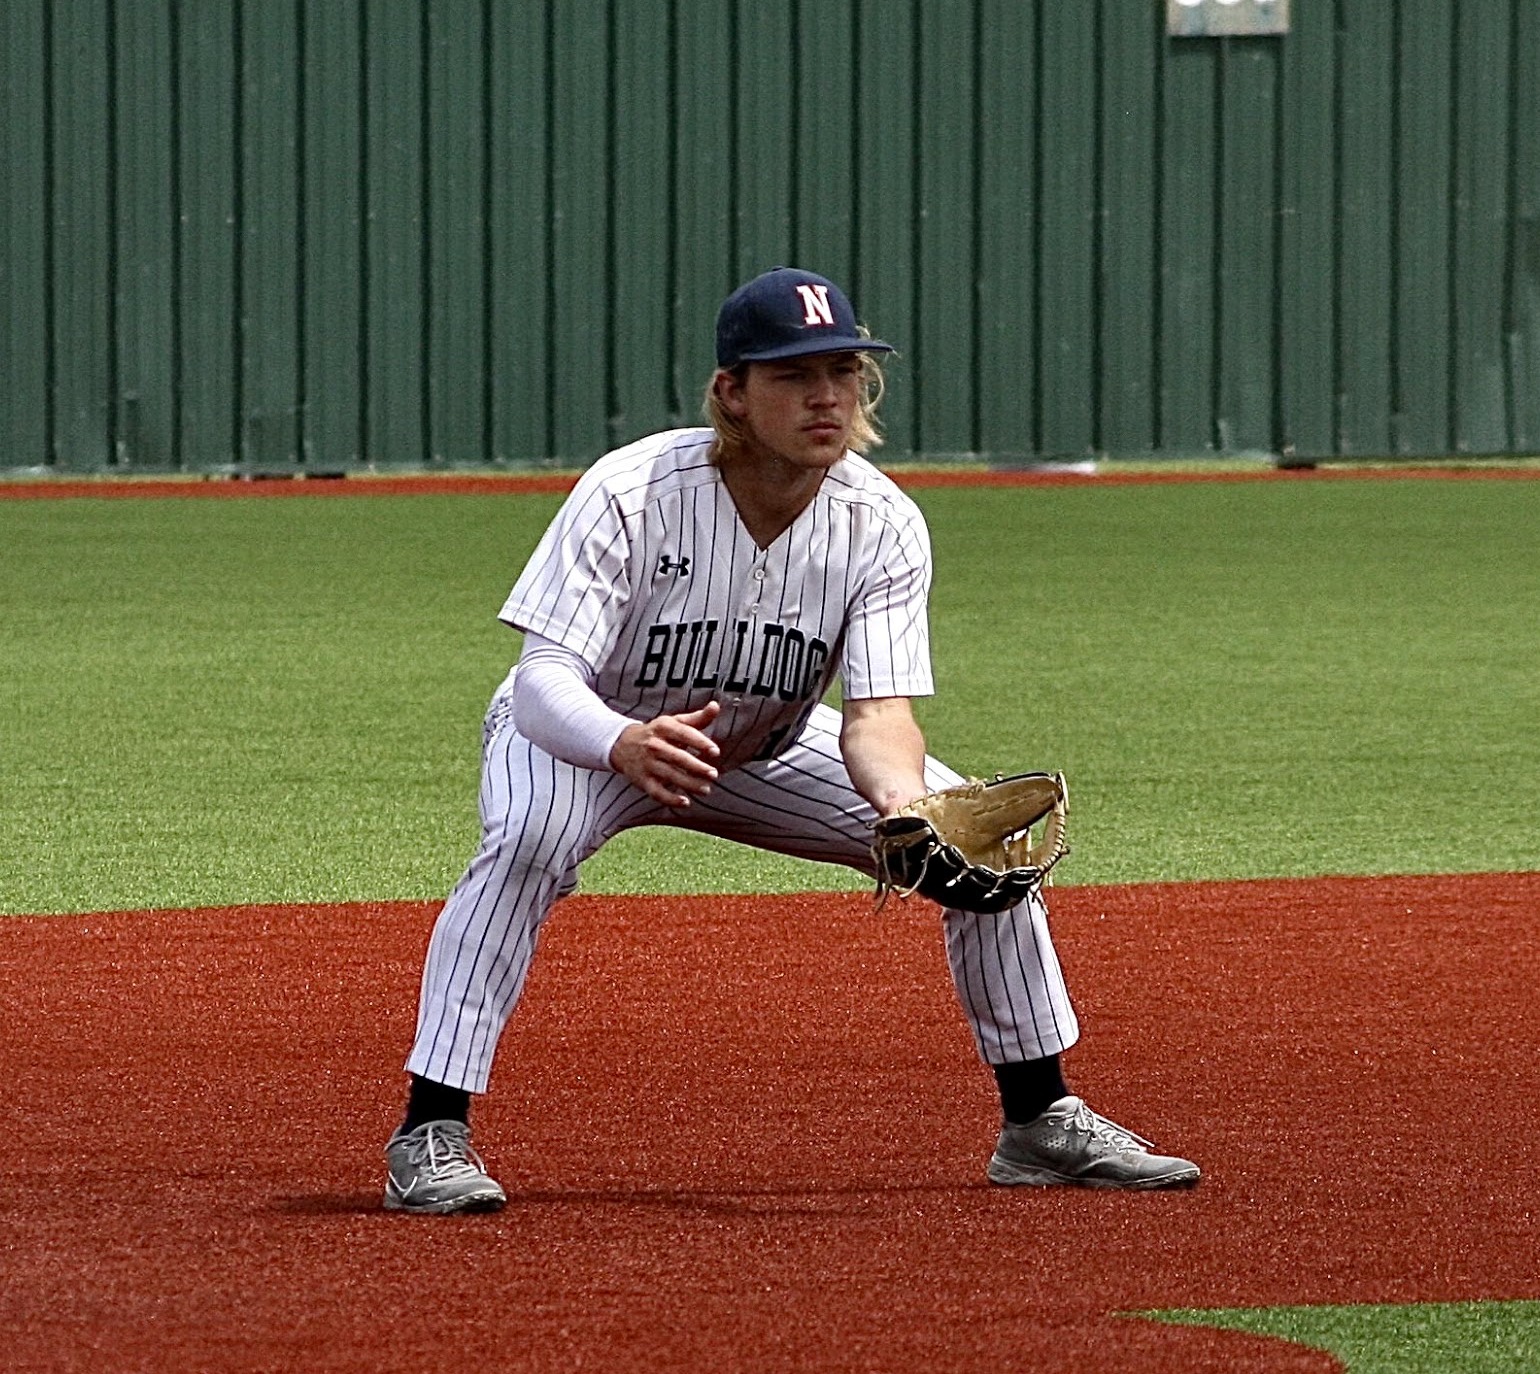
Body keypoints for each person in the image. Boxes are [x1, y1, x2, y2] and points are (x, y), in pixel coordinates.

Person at [382, 267, 1199, 1212]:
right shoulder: (633, 491)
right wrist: (622, 742)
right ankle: (430, 1131)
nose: (826, 397)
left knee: (977, 843)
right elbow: (543, 680)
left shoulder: (881, 523)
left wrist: (906, 809)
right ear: (731, 392)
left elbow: (878, 715)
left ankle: (1040, 1120)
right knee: (531, 839)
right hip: (587, 733)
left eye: (844, 372)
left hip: (757, 750)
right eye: (794, 374)